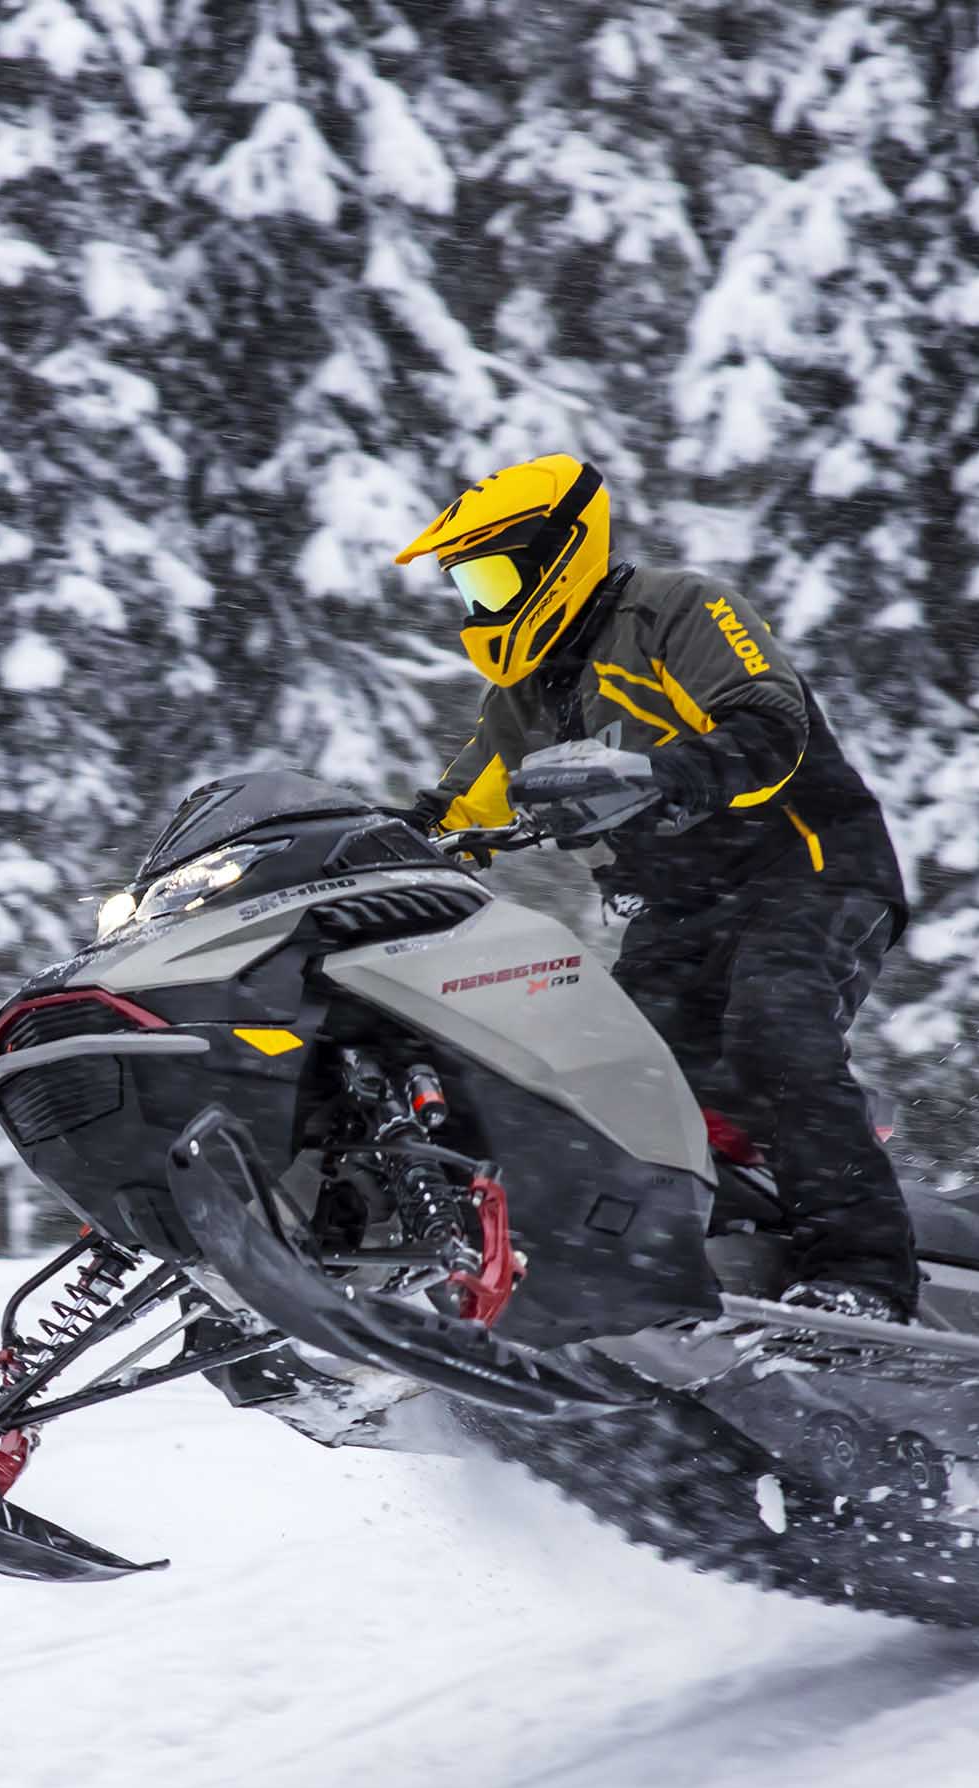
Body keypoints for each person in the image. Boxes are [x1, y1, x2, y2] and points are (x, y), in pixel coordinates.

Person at [392, 454, 922, 1323]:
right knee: (593, 1076)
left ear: (557, 553)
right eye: (469, 588)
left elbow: (770, 722)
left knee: (775, 1026)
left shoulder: (674, 609)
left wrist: (661, 774)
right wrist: (366, 845)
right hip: (679, 914)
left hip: (808, 869)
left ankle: (865, 1276)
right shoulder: (523, 699)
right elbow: (455, 808)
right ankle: (626, 1270)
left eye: (491, 579)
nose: (481, 607)